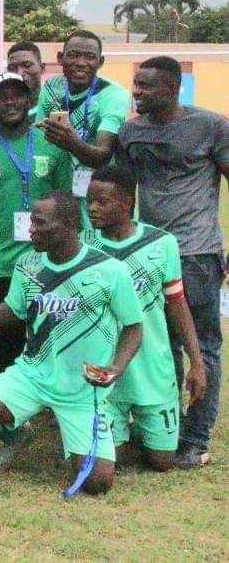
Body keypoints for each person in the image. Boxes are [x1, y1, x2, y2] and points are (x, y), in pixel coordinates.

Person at [0, 192, 144, 492]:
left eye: (40, 223)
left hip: (83, 389)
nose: (30, 229)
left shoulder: (110, 270)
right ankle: (19, 433)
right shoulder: (28, 265)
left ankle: (78, 440)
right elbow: (13, 313)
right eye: (31, 221)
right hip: (32, 376)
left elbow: (134, 327)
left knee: (96, 483)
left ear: (68, 224)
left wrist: (116, 367)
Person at [117, 55, 228, 469]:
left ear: (172, 88)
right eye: (136, 84)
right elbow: (123, 193)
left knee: (202, 346)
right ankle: (161, 429)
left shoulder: (210, 126)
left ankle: (195, 438)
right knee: (159, 347)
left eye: (146, 86)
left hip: (197, 255)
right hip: (148, 255)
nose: (137, 92)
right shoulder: (131, 132)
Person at [82, 166, 207, 472]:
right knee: (115, 461)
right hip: (104, 367)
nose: (92, 208)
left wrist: (197, 362)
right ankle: (115, 429)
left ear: (126, 203)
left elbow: (177, 304)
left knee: (161, 462)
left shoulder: (161, 243)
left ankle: (141, 429)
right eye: (89, 201)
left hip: (153, 366)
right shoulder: (83, 245)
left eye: (101, 202)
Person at [0, 72, 71, 373]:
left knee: (50, 339)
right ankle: (12, 414)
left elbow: (65, 205)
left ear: (29, 99)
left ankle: (48, 406)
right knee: (6, 346)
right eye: (2, 95)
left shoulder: (52, 144)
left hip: (47, 262)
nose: (10, 101)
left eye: (17, 94)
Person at [35, 30, 130, 226]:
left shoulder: (113, 95)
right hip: (61, 196)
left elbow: (103, 155)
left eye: (90, 57)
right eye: (74, 55)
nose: (81, 62)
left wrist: (71, 143)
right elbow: (39, 138)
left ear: (101, 62)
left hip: (100, 199)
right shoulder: (52, 86)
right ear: (61, 58)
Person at [0, 41, 46, 127]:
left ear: (42, 68)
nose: (19, 73)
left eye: (27, 65)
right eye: (12, 68)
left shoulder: (56, 104)